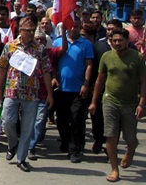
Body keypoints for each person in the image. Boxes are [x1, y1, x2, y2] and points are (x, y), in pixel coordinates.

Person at [0, 14, 54, 172]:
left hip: (32, 94)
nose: (30, 33)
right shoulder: (10, 46)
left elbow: (47, 71)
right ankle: (12, 143)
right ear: (20, 30)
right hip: (11, 91)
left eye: (32, 30)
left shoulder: (39, 49)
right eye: (27, 30)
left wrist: (49, 94)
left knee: (28, 127)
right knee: (7, 121)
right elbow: (2, 68)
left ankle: (22, 158)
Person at [88, 29, 146, 183]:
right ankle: (114, 169)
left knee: (130, 138)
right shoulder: (107, 57)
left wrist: (142, 104)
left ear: (128, 41)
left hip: (130, 104)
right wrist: (94, 102)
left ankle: (130, 151)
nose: (117, 43)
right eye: (114, 41)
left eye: (120, 40)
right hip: (110, 101)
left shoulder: (137, 57)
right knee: (111, 136)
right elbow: (100, 80)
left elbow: (144, 82)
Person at [52, 20, 94, 163]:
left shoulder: (86, 44)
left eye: (76, 27)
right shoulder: (58, 42)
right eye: (70, 27)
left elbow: (89, 65)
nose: (73, 29)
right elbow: (52, 63)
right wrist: (54, 77)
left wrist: (86, 84)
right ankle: (65, 141)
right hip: (61, 89)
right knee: (62, 119)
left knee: (76, 119)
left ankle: (74, 149)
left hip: (78, 89)